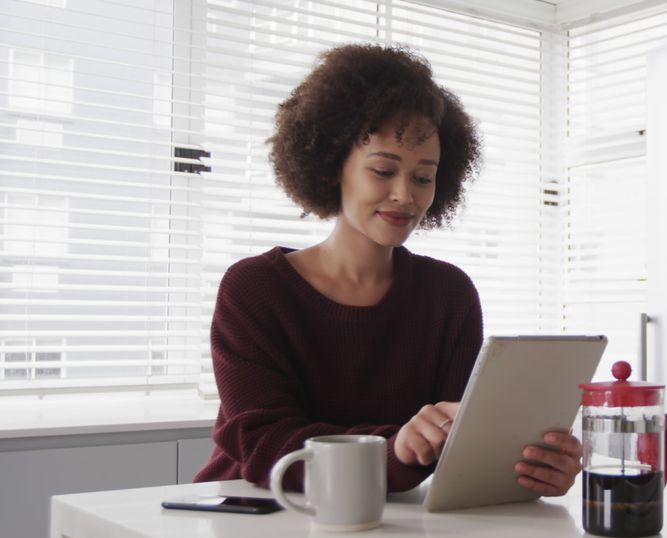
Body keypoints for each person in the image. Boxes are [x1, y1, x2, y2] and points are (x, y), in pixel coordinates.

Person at [194, 44, 582, 496]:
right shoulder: (256, 289)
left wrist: (528, 466)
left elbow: (459, 444)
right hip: (256, 512)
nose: (405, 195)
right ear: (332, 166)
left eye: (423, 177)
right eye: (382, 170)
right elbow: (264, 444)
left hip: (386, 521)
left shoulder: (448, 295)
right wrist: (391, 450)